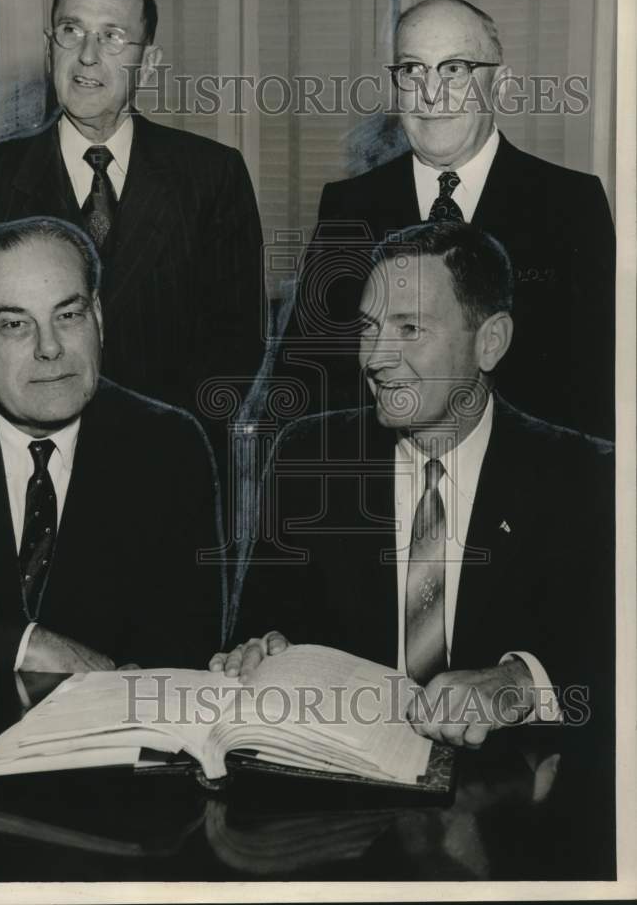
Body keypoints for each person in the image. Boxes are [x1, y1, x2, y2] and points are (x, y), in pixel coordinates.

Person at [218, 222, 614, 750]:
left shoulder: (585, 477)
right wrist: (263, 651)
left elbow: (613, 665)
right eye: (368, 328)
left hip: (508, 801)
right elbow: (263, 627)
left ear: (489, 343)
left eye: (409, 329)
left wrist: (521, 683)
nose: (375, 358)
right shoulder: (310, 455)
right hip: (339, 798)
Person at [0, 218, 225, 675]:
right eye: (15, 324)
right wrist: (24, 647)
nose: (50, 348)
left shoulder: (168, 444)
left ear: (98, 316)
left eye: (68, 315)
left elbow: (184, 640)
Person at [0, 0, 264, 422]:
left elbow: (237, 342)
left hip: (168, 454)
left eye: (112, 36)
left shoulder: (212, 174)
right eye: (72, 30)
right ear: (50, 48)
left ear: (148, 62)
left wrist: (177, 444)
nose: (88, 55)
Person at [281, 0, 615, 439]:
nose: (430, 94)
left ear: (500, 85)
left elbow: (602, 387)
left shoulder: (571, 204)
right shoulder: (348, 205)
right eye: (412, 70)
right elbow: (308, 378)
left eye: (455, 69)